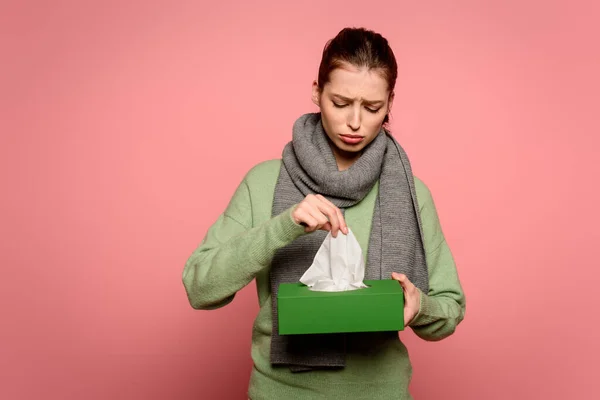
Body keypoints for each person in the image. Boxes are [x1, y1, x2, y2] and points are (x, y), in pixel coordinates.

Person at [183, 27, 466, 400]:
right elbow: (199, 288)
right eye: (340, 102)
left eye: (372, 108)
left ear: (390, 102)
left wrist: (421, 305)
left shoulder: (412, 193)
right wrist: (284, 227)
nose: (354, 122)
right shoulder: (264, 181)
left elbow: (449, 308)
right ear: (316, 91)